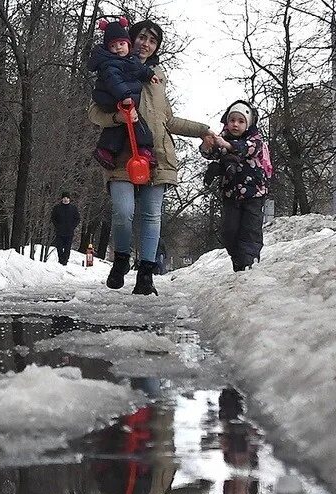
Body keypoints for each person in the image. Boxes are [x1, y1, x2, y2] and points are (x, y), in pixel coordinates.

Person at [88, 19, 214, 295]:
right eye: (142, 37)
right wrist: (117, 117)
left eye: (152, 40)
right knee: (123, 212)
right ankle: (121, 259)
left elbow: (167, 120)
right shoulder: (113, 66)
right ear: (130, 38)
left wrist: (203, 130)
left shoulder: (157, 76)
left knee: (151, 215)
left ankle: (146, 274)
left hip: (157, 155)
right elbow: (94, 112)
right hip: (122, 153)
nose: (146, 43)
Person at [200, 100, 269, 272]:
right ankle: (238, 260)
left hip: (254, 195)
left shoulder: (255, 140)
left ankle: (249, 263)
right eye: (232, 120)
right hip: (230, 195)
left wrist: (227, 145)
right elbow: (211, 153)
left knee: (250, 231)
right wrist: (206, 145)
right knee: (229, 231)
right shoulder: (222, 138)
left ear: (248, 123)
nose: (235, 124)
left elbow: (247, 149)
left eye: (240, 121)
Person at [87, 17, 158, 170]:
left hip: (120, 97)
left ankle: (106, 149)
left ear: (128, 44)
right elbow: (114, 82)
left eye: (121, 44)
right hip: (110, 97)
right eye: (113, 46)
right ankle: (144, 148)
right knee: (135, 121)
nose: (119, 48)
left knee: (124, 123)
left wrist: (150, 75)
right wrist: (125, 97)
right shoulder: (110, 63)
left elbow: (141, 70)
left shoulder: (131, 61)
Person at [50, 191, 80, 265]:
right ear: (62, 199)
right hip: (59, 231)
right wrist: (57, 226)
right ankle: (61, 260)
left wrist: (73, 226)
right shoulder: (57, 208)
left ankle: (65, 261)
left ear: (69, 199)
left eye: (67, 198)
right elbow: (53, 218)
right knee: (59, 247)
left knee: (67, 248)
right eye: (64, 198)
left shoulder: (73, 208)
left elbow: (77, 219)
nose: (65, 199)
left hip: (69, 232)